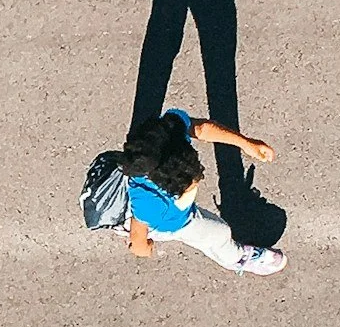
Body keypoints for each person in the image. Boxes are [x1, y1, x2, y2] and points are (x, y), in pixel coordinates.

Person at [104, 110, 284, 274]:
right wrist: (147, 247)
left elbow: (202, 129)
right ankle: (238, 259)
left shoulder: (170, 130)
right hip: (175, 223)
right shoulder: (148, 205)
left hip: (163, 208)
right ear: (167, 185)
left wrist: (246, 144)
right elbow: (138, 244)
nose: (195, 181)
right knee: (218, 234)